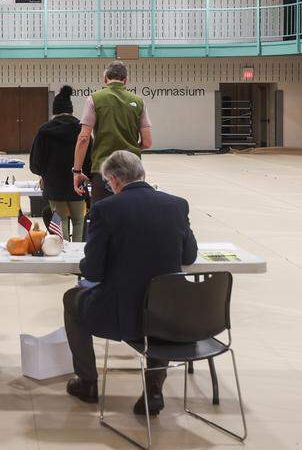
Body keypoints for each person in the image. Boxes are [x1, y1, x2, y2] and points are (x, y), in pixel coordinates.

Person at [62, 150, 197, 415]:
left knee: (71, 299)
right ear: (142, 174)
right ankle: (154, 387)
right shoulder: (177, 205)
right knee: (161, 301)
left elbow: (94, 272)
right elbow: (189, 255)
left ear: (113, 180)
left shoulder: (104, 209)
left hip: (121, 314)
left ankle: (88, 382)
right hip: (167, 317)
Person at [73, 60, 153, 204]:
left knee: (103, 215)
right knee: (131, 214)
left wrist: (77, 171)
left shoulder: (94, 99)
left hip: (104, 168)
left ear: (105, 79)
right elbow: (147, 142)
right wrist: (133, 148)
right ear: (125, 80)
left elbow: (84, 138)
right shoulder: (139, 101)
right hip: (132, 169)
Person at [30, 85, 90, 241]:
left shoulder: (44, 131)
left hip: (54, 184)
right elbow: (90, 156)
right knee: (79, 221)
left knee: (60, 220)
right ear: (71, 111)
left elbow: (36, 161)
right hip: (78, 183)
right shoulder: (82, 129)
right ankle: (77, 255)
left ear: (54, 112)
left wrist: (43, 174)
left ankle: (63, 252)